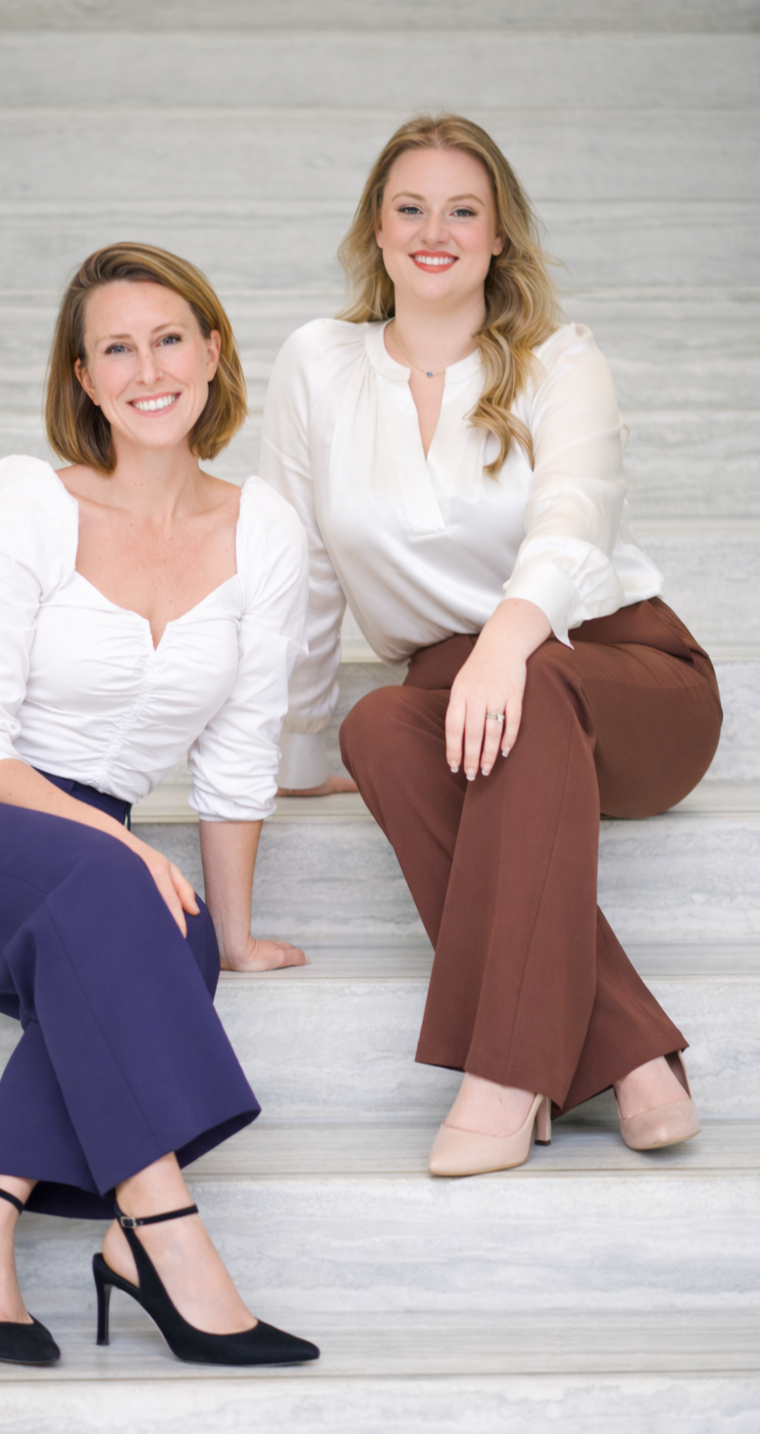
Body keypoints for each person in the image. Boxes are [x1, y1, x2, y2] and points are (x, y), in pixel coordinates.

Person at [0, 242, 319, 1366]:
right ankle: (167, 1235)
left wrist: (228, 929)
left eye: (170, 337)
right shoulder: (28, 500)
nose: (149, 367)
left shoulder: (265, 531)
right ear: (84, 379)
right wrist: (112, 842)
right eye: (116, 348)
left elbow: (241, 747)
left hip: (78, 867)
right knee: (123, 887)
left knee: (176, 944)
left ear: (214, 349)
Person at [261, 115, 721, 1178]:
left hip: (626, 678)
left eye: (463, 209)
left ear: (500, 234)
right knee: (381, 725)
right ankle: (633, 1055)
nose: (436, 230)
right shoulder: (319, 364)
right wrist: (291, 749)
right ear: (375, 228)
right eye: (410, 207)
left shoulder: (562, 360)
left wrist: (508, 643)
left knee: (531, 686)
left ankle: (508, 1074)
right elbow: (302, 572)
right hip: (466, 688)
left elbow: (574, 518)